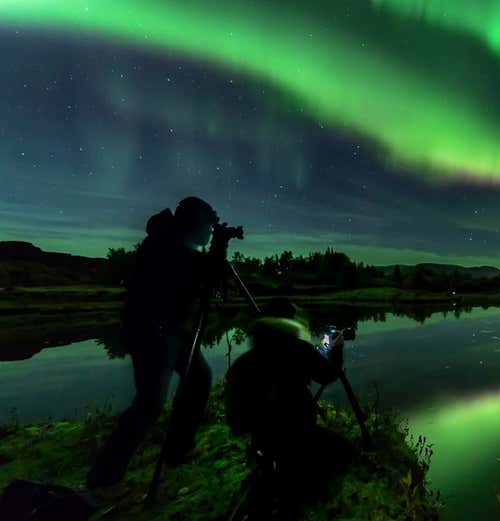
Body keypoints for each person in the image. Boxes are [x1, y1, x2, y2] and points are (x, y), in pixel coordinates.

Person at [86, 196, 221, 489]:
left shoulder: (174, 242)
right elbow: (191, 273)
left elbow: (197, 278)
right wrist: (214, 257)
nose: (210, 235)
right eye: (208, 229)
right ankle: (102, 481)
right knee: (149, 404)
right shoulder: (165, 245)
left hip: (173, 331)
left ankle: (178, 450)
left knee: (198, 379)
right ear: (195, 224)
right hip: (153, 333)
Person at [225, 299, 354, 519]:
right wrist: (337, 349)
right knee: (345, 452)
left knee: (276, 465)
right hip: (299, 437)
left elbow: (236, 423)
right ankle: (301, 490)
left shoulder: (242, 363)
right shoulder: (299, 349)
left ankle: (269, 473)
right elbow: (328, 374)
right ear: (291, 323)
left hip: (262, 441)